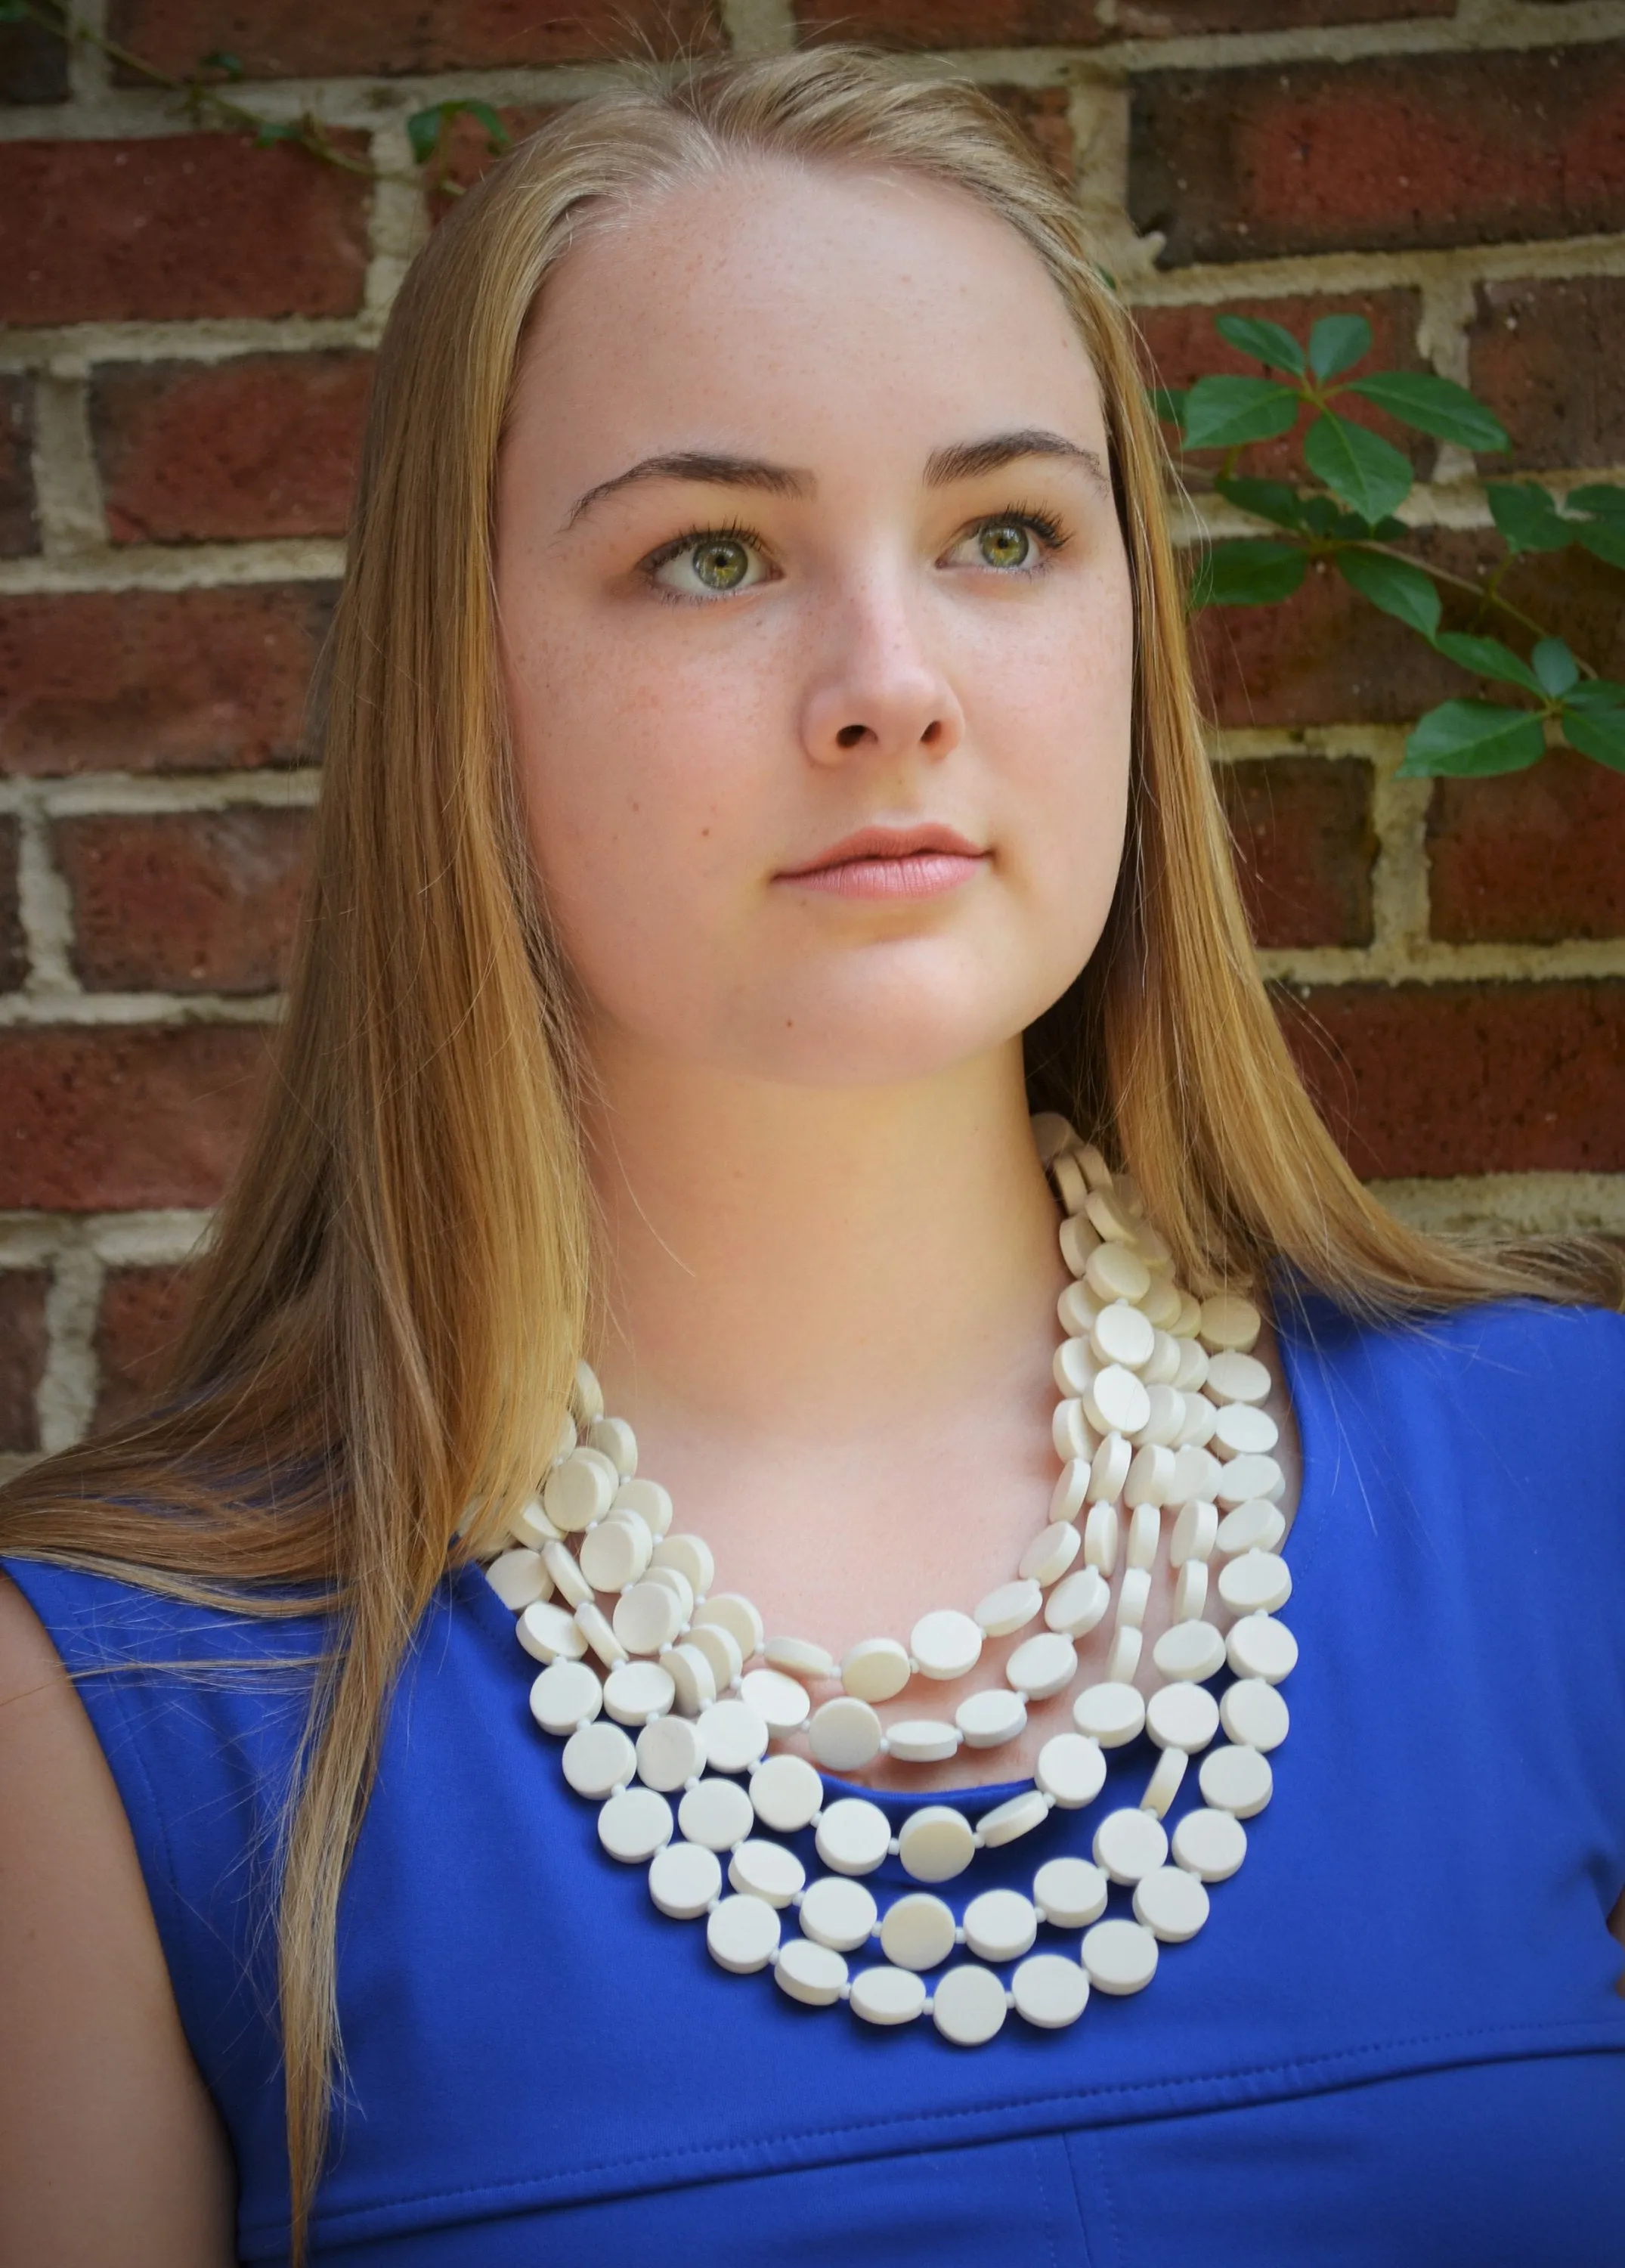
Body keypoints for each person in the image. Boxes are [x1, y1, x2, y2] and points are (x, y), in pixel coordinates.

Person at [2, 48, 1621, 2268]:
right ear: (455, 688)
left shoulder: (1566, 1485)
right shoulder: (125, 1707)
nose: (891, 683)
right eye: (711, 556)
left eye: (1004, 537)